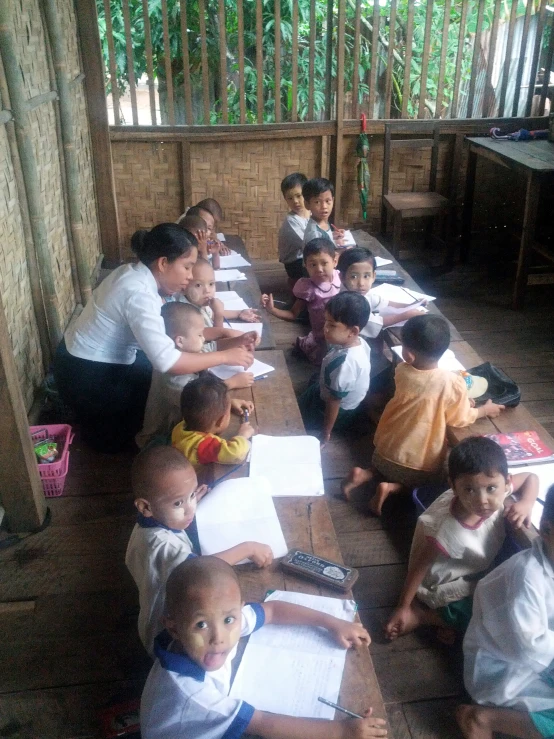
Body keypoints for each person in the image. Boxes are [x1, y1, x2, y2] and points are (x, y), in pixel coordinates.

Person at [53, 223, 252, 453]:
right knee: (168, 394)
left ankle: (214, 404)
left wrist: (225, 336)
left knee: (170, 385)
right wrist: (224, 356)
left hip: (80, 362)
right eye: (187, 267)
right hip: (86, 377)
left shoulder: (134, 274)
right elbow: (168, 361)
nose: (189, 276)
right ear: (163, 263)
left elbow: (177, 336)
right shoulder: (139, 293)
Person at [140, 556, 388, 739]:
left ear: (239, 608)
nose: (219, 637)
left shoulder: (214, 627)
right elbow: (264, 723)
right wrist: (342, 731)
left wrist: (331, 623)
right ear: (174, 628)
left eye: (229, 620)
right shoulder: (192, 694)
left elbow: (271, 610)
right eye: (201, 624)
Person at [341, 315, 505, 515]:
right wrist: (483, 410)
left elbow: (424, 394)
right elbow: (459, 418)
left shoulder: (402, 371)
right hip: (417, 464)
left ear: (408, 355)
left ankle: (365, 474)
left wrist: (455, 399)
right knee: (434, 479)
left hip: (383, 451)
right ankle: (390, 489)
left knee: (387, 466)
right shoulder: (451, 382)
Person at [384, 437, 538, 644]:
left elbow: (531, 477)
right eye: (469, 490)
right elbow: (421, 565)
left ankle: (446, 623)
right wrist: (403, 605)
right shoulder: (445, 529)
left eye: (491, 489)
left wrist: (526, 503)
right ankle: (423, 617)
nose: (482, 500)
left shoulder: (498, 488)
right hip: (445, 581)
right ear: (454, 487)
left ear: (506, 482)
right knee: (488, 615)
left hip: (474, 567)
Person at [125, 447, 272, 655]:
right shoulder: (163, 545)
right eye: (178, 503)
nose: (190, 509)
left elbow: (177, 510)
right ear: (145, 508)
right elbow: (202, 570)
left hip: (159, 615)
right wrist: (247, 548)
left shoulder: (146, 525)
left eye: (192, 495)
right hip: (169, 637)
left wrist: (186, 499)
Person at [458, 484, 554, 739]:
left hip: (541, 659)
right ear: (545, 530)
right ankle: (483, 719)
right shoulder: (527, 576)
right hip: (505, 671)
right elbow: (529, 648)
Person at [337, 247, 425, 392]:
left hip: (364, 344)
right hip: (348, 354)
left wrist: (412, 304)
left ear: (374, 275)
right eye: (354, 276)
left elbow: (384, 302)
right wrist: (408, 314)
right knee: (372, 379)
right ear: (342, 277)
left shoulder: (363, 294)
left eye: (366, 276)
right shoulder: (348, 303)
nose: (361, 283)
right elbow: (376, 323)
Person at [299, 292, 371, 445]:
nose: (325, 328)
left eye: (332, 325)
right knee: (315, 383)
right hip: (344, 396)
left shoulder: (344, 365)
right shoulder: (361, 343)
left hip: (337, 410)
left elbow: (333, 402)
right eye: (326, 321)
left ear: (353, 331)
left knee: (297, 412)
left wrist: (326, 432)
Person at [180, 258, 258, 389]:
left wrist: (239, 314)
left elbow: (212, 344)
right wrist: (229, 383)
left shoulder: (198, 304)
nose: (207, 290)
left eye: (211, 284)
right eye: (198, 285)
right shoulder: (185, 315)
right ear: (183, 286)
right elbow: (216, 338)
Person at [262, 238, 341, 365]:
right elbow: (293, 314)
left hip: (342, 332)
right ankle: (306, 345)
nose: (319, 269)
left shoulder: (340, 278)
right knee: (326, 364)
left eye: (324, 263)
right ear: (305, 265)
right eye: (313, 265)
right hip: (322, 336)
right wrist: (272, 309)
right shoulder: (308, 288)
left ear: (335, 261)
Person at [172, 374, 254, 468]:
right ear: (221, 421)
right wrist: (243, 435)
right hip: (198, 479)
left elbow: (201, 405)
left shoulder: (182, 425)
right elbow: (236, 453)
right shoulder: (202, 445)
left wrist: (228, 403)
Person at [278, 172, 310, 289]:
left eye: (298, 196)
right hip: (294, 263)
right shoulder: (291, 221)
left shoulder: (312, 213)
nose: (295, 201)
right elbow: (309, 244)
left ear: (307, 194)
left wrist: (335, 236)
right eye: (290, 198)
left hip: (307, 256)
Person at [302, 178, 345, 247]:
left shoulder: (323, 222)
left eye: (328, 201)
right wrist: (340, 249)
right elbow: (320, 257)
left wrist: (333, 236)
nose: (324, 206)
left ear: (333, 200)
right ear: (307, 204)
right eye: (317, 202)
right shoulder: (315, 234)